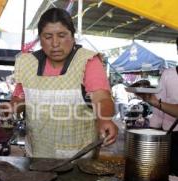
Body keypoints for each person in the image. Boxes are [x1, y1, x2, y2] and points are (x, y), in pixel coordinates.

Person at [10, 8, 118, 158]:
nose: (55, 43)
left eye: (62, 35)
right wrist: (11, 109)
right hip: (36, 155)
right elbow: (20, 100)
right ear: (40, 39)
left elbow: (102, 98)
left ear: (72, 37)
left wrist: (104, 119)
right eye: (48, 37)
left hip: (78, 157)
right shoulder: (27, 63)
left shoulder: (87, 60)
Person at [135, 66, 178, 175]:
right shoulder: (169, 73)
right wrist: (152, 135)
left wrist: (156, 103)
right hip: (172, 136)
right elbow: (159, 109)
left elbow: (158, 103)